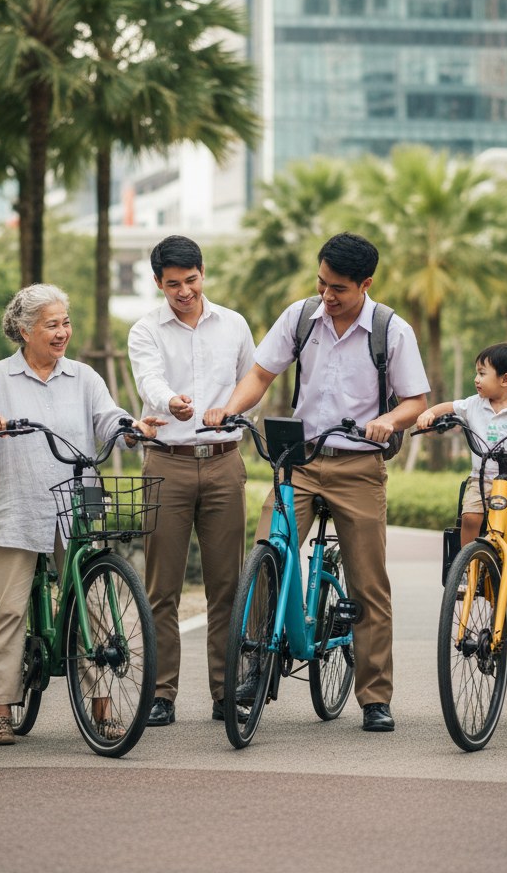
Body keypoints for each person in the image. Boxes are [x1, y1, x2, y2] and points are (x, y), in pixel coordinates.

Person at [205, 231, 429, 732]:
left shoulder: (391, 330)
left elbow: (415, 400)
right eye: (322, 283)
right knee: (266, 554)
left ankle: (374, 696)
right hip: (299, 460)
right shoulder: (301, 316)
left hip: (359, 467)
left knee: (368, 583)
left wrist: (389, 422)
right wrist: (229, 409)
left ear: (365, 284)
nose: (327, 295)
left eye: (339, 288)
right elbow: (261, 374)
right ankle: (254, 666)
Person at [0, 284, 164, 746]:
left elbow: (109, 419)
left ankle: (103, 710)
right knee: (7, 611)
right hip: (15, 507)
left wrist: (131, 428)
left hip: (77, 507)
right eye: (52, 324)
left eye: (66, 322)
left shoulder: (85, 377)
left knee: (96, 605)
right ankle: (1, 713)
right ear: (25, 330)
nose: (63, 332)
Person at [127, 235, 256, 726]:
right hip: (167, 462)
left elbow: (251, 383)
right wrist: (169, 402)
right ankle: (162, 694)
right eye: (173, 284)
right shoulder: (145, 330)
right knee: (163, 588)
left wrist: (237, 414)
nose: (184, 291)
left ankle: (226, 692)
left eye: (191, 280)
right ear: (158, 282)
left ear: (203, 272)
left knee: (227, 586)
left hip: (224, 461)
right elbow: (148, 380)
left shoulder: (235, 325)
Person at [416, 342, 507, 584]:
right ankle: (467, 566)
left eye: (481, 373)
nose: (476, 379)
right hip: (483, 477)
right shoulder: (474, 404)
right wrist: (430, 414)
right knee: (469, 517)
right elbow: (449, 407)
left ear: (505, 379)